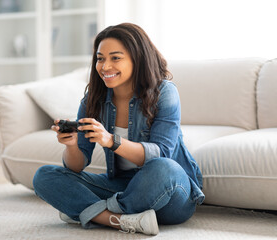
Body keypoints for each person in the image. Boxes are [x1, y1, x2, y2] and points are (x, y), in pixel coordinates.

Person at [33, 23, 204, 236]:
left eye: (115, 58)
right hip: (121, 186)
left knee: (163, 168)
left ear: (137, 58)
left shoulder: (164, 92)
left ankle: (89, 212)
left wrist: (111, 140)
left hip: (170, 193)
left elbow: (161, 154)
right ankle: (121, 220)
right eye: (100, 58)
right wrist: (71, 146)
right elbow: (76, 166)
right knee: (45, 176)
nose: (105, 66)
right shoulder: (92, 100)